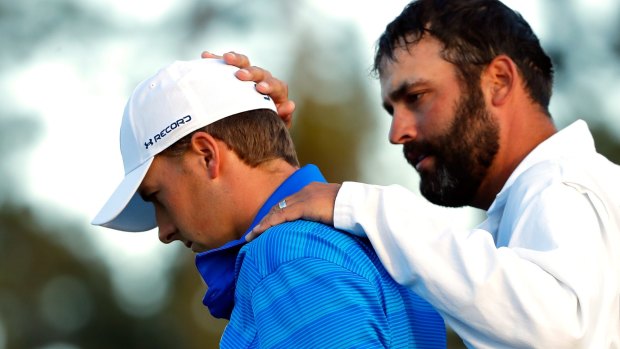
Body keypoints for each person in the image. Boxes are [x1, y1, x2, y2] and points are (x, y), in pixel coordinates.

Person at [218, 0, 620, 348]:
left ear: (498, 82)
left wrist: (366, 206)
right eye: (392, 110)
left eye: (416, 97)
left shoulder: (564, 187)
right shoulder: (530, 211)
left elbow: (558, 334)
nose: (397, 133)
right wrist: (261, 141)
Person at [91, 58, 446, 348]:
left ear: (206, 156)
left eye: (157, 197)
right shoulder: (369, 243)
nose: (163, 231)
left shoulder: (285, 256)